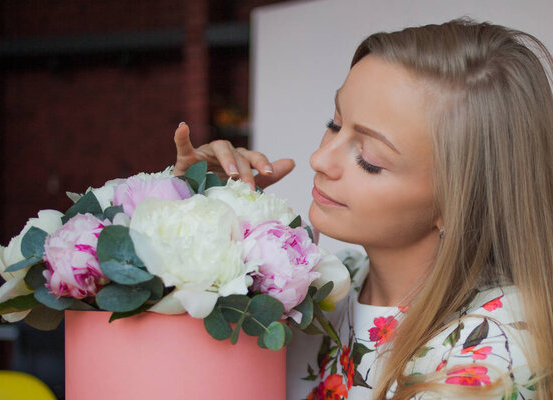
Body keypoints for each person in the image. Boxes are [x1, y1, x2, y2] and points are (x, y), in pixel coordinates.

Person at [172, 18, 553, 400]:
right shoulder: (332, 279)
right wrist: (200, 211)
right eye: (334, 124)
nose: (319, 158)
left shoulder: (492, 357)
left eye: (369, 160)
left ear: (460, 202)